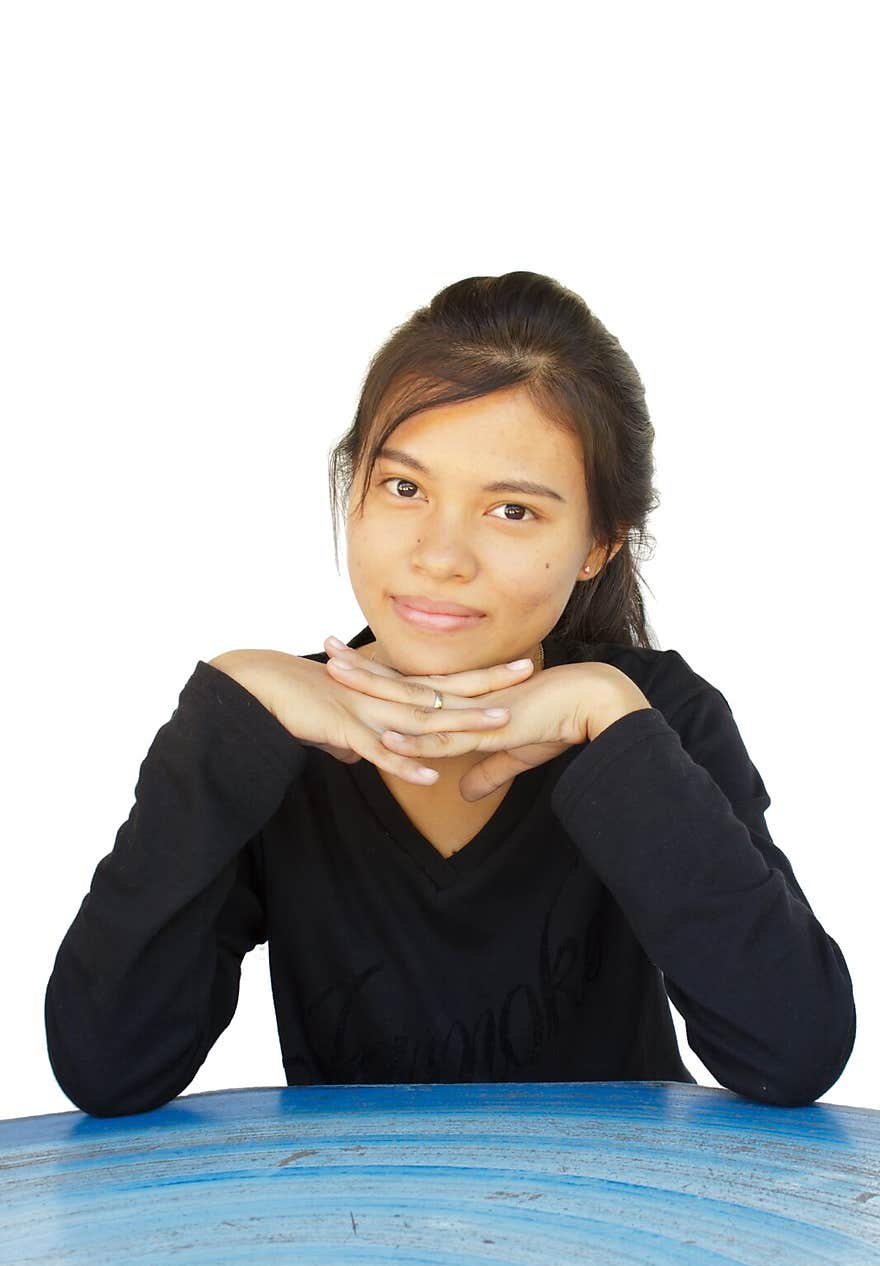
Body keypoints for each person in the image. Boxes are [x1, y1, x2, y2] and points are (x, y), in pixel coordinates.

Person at [44, 271, 856, 1118]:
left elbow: (791, 1053)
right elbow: (108, 1067)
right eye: (404, 487)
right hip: (357, 1231)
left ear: (597, 544)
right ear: (352, 485)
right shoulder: (273, 732)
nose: (439, 554)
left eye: (511, 511)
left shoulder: (656, 720)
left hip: (617, 1230)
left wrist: (614, 728)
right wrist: (227, 715)